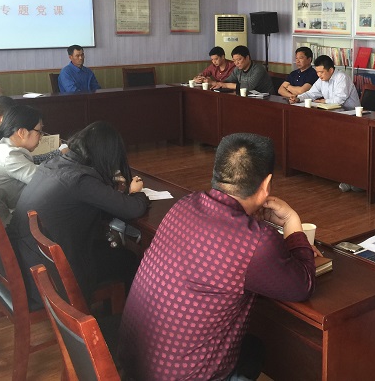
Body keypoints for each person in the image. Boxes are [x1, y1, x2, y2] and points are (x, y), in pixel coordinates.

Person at [118, 133, 316, 380]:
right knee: (254, 350)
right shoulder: (254, 241)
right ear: (266, 185)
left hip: (133, 367)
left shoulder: (184, 205)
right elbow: (302, 285)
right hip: (184, 376)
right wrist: (291, 221)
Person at [8, 121, 149, 308]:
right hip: (55, 276)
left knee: (105, 246)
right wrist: (136, 192)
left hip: (30, 264)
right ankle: (128, 317)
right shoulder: (80, 180)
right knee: (128, 259)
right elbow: (133, 209)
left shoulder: (54, 164)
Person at [289, 55, 360, 110]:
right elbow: (311, 94)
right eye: (317, 72)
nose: (319, 75)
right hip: (333, 111)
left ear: (331, 70)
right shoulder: (322, 79)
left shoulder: (342, 77)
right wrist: (298, 98)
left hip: (351, 113)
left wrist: (325, 101)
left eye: (321, 72)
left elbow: (339, 101)